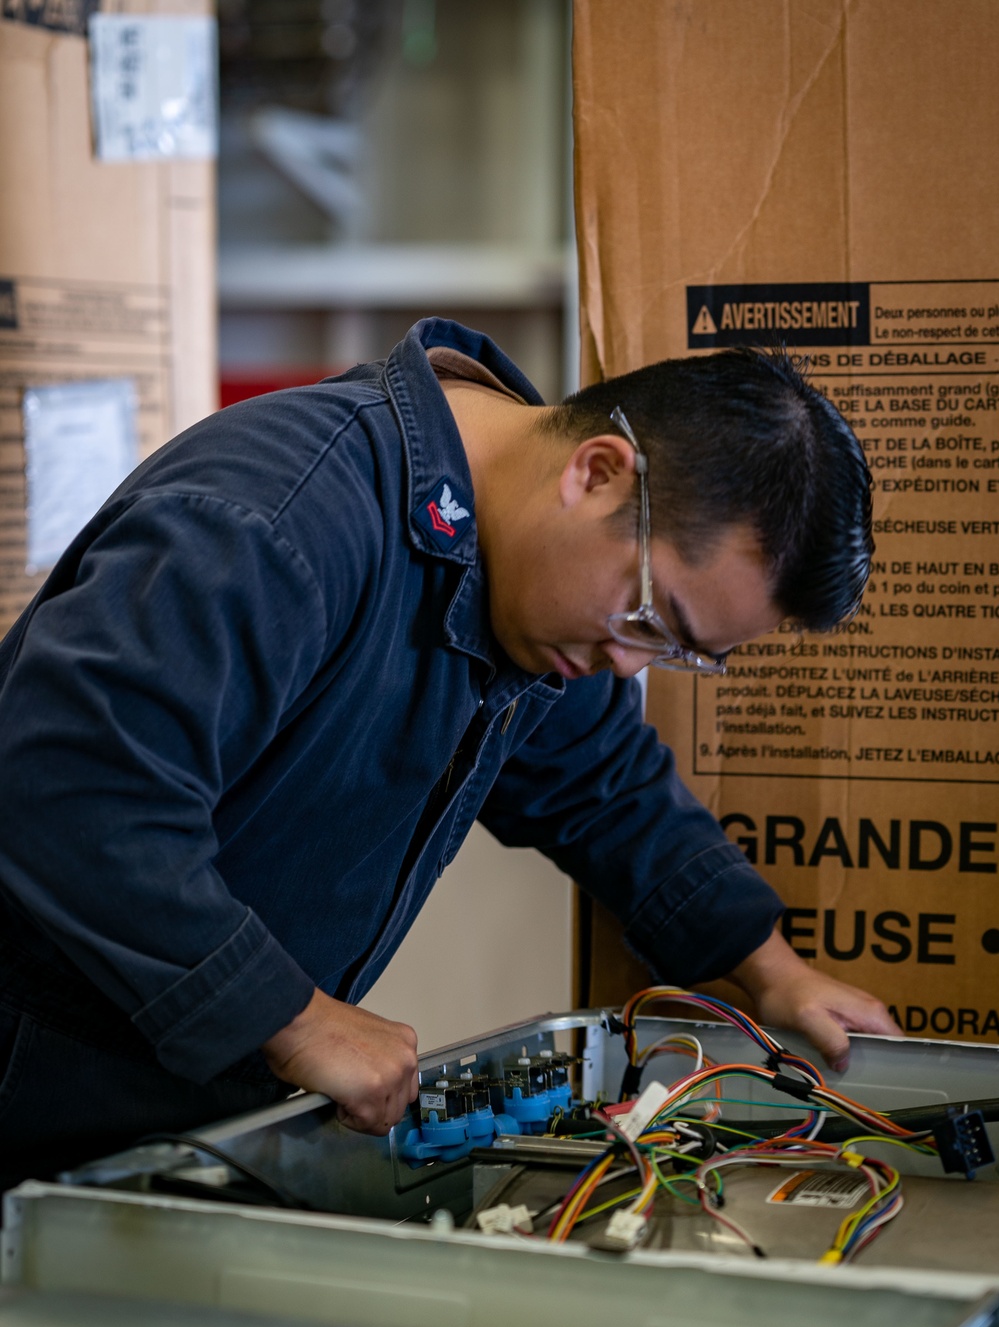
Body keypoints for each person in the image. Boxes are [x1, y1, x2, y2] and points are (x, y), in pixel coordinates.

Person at [0, 317, 897, 1190]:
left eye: (674, 650)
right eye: (648, 618)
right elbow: (72, 791)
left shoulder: (517, 569)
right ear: (597, 474)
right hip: (31, 1076)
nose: (627, 663)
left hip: (176, 1094)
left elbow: (602, 782)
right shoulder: (277, 519)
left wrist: (774, 972)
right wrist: (290, 1017)